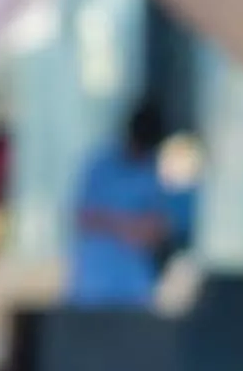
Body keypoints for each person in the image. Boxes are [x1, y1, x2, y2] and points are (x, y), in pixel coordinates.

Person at [67, 102, 191, 309]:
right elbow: (82, 218)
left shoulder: (157, 173)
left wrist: (111, 222)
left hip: (134, 292)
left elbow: (159, 229)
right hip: (91, 289)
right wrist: (130, 226)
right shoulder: (100, 166)